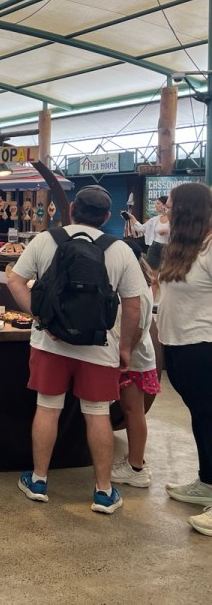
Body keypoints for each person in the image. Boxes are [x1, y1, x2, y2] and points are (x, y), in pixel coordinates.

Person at [7, 185, 146, 515]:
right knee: (97, 414)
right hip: (100, 346)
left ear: (71, 211)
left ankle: (39, 480)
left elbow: (15, 280)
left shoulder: (46, 240)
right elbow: (133, 308)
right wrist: (125, 347)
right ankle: (103, 491)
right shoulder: (120, 250)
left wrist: (41, 316)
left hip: (49, 344)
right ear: (107, 216)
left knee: (48, 407)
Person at [155, 182, 212, 536]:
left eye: (171, 205)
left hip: (204, 345)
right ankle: (207, 482)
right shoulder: (186, 248)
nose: (166, 210)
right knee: (201, 418)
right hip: (179, 346)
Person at [111, 255, 161, 489]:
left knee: (133, 411)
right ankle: (136, 461)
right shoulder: (140, 286)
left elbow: (139, 329)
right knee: (132, 410)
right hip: (133, 359)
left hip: (134, 361)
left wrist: (124, 354)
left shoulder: (139, 291)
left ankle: (135, 467)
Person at [128, 196, 169, 270]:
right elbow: (140, 228)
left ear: (165, 205)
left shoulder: (175, 219)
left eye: (158, 203)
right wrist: (132, 218)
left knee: (166, 272)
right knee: (150, 271)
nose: (155, 205)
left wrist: (167, 231)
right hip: (154, 246)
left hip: (169, 248)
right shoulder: (154, 219)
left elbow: (181, 231)